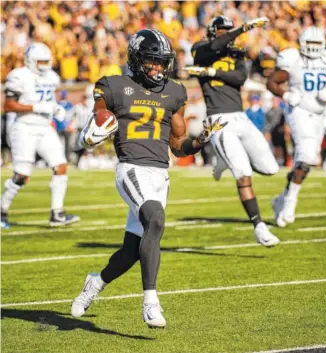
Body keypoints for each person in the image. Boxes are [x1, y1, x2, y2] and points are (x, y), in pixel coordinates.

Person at [71, 29, 225, 329]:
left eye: (161, 62)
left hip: (159, 174)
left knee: (132, 249)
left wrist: (201, 140)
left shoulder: (174, 92)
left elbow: (178, 146)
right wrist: (91, 132)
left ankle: (95, 282)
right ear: (137, 59)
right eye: (151, 62)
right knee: (156, 220)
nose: (157, 68)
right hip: (131, 168)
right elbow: (97, 118)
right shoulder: (115, 86)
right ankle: (151, 301)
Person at [185, 16, 280, 247]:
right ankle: (259, 225)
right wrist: (242, 29)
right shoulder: (201, 49)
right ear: (212, 31)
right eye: (222, 30)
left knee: (270, 168)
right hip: (219, 119)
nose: (226, 34)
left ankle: (224, 160)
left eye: (228, 30)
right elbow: (214, 48)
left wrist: (211, 73)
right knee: (243, 175)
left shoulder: (236, 53)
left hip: (240, 116)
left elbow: (240, 78)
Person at [267, 27, 326, 227]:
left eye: (316, 44)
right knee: (306, 157)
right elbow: (272, 82)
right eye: (309, 44)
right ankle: (290, 202)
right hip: (298, 110)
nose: (312, 48)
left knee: (308, 161)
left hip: (319, 114)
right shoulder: (293, 59)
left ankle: (281, 200)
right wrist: (285, 95)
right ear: (301, 43)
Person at [1, 42, 80, 229]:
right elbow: (8, 106)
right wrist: (36, 107)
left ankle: (57, 214)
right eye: (41, 61)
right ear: (30, 61)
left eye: (47, 61)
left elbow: (49, 100)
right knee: (22, 175)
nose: (44, 65)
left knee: (60, 166)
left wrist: (56, 109)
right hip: (24, 127)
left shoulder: (52, 76)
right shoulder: (18, 76)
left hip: (44, 126)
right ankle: (2, 210)